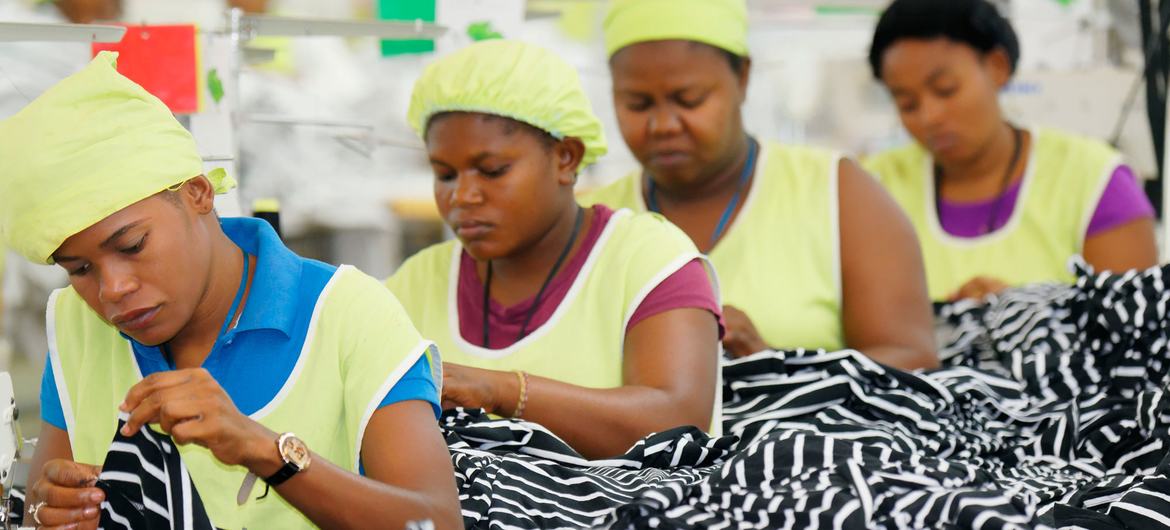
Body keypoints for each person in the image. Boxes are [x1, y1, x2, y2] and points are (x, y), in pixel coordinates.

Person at [5, 52, 460, 530]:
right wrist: (46, 510)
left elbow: (436, 522)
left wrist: (265, 449)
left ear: (198, 193)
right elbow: (44, 507)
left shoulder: (347, 314)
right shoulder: (75, 326)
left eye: (134, 245)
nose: (113, 289)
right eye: (79, 269)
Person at [386, 40, 723, 460]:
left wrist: (502, 391)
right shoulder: (415, 284)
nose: (463, 195)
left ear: (566, 158)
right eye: (445, 174)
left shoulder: (649, 262)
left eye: (492, 171)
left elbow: (679, 422)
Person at [583, 0, 937, 369]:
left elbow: (914, 359)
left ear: (743, 78)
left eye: (689, 100)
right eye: (637, 104)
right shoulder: (595, 224)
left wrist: (775, 367)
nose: (664, 125)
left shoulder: (837, 194)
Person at [864, 0, 1159, 302]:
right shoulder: (872, 189)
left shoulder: (1094, 182)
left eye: (946, 89)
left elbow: (1133, 331)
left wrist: (1029, 316)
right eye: (907, 104)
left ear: (997, 67)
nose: (929, 117)